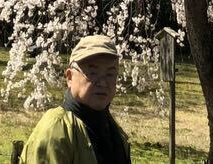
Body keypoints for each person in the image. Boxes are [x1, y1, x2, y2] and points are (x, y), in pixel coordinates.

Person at [20, 35, 131, 164]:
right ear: (69, 77)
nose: (102, 82)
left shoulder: (114, 130)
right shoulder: (56, 128)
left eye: (110, 74)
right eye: (92, 73)